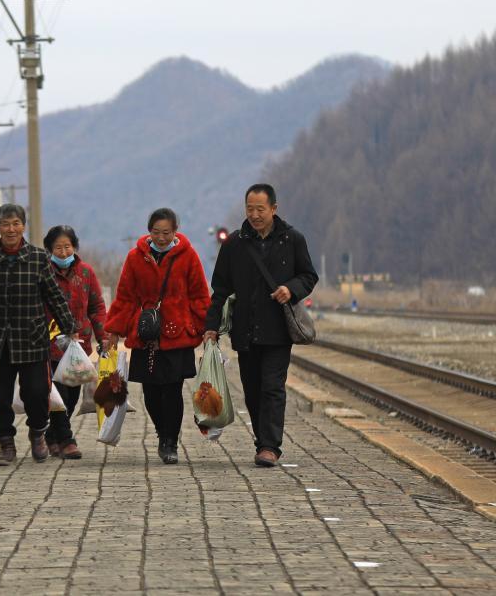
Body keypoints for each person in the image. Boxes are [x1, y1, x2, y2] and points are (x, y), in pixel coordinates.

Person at [204, 184, 318, 467]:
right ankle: (261, 441)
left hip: (278, 331)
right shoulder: (234, 244)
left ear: (274, 209)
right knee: (252, 389)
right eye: (250, 209)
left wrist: (291, 289)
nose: (254, 215)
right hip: (245, 331)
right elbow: (220, 288)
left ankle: (270, 446)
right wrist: (211, 327)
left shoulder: (292, 240)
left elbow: (308, 275)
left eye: (260, 209)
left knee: (273, 387)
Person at [0, 204, 78, 466]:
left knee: (37, 393)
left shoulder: (38, 258)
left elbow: (53, 296)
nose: (11, 229)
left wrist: (69, 326)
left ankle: (38, 433)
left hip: (32, 339)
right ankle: (6, 444)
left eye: (16, 223)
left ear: (24, 226)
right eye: (5, 224)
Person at [105, 208, 210, 464]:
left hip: (177, 335)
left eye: (166, 232)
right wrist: (114, 331)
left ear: (175, 231)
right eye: (155, 232)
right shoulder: (135, 258)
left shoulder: (188, 256)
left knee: (172, 389)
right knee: (151, 392)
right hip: (146, 334)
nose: (161, 238)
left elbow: (199, 294)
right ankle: (161, 431)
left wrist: (205, 326)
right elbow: (126, 297)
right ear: (148, 231)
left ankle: (169, 441)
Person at [43, 225, 107, 459]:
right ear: (49, 249)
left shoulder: (86, 273)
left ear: (75, 247)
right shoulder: (43, 273)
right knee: (57, 393)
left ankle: (51, 436)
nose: (62, 252)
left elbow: (97, 307)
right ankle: (68, 440)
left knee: (71, 397)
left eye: (67, 246)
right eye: (57, 247)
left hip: (79, 346)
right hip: (49, 345)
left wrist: (103, 337)